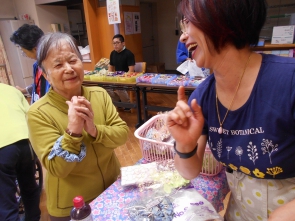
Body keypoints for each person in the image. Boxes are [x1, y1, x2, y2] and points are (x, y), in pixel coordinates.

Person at [167, 0, 295, 220]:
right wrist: (185, 144)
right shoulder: (202, 97)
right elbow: (189, 172)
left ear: (220, 16)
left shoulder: (288, 80)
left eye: (188, 23)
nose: (183, 36)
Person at [26, 32, 129, 220]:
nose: (69, 69)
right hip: (73, 206)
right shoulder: (38, 113)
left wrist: (94, 130)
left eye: (73, 61)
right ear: (46, 75)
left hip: (112, 190)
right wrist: (73, 132)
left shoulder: (99, 95)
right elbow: (58, 168)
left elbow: (122, 135)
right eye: (58, 65)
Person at [0, 83, 41, 221]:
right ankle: (34, 218)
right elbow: (30, 114)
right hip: (25, 142)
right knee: (29, 187)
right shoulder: (11, 90)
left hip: (2, 147)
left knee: (5, 199)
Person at [10, 24, 50, 103]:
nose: (25, 55)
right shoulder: (36, 65)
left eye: (24, 52)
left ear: (36, 49)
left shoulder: (52, 67)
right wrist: (24, 90)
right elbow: (39, 87)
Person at [108, 34, 135, 111]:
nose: (115, 45)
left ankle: (127, 105)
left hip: (126, 77)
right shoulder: (113, 53)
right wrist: (108, 76)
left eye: (117, 43)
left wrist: (123, 78)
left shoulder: (129, 54)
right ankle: (118, 101)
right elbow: (110, 67)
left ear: (123, 43)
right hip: (116, 77)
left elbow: (131, 70)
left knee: (119, 87)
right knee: (105, 86)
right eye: (113, 43)